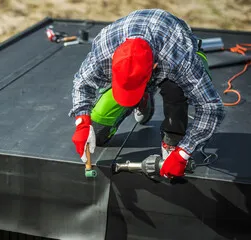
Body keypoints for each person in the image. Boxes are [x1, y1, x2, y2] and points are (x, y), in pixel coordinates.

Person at [69, 9, 226, 178]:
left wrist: (183, 153)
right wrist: (82, 122)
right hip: (144, 61)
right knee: (98, 133)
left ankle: (172, 139)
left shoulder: (180, 57)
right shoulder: (105, 48)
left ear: (153, 68)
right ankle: (142, 97)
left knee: (175, 90)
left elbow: (211, 107)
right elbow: (81, 83)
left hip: (170, 52)